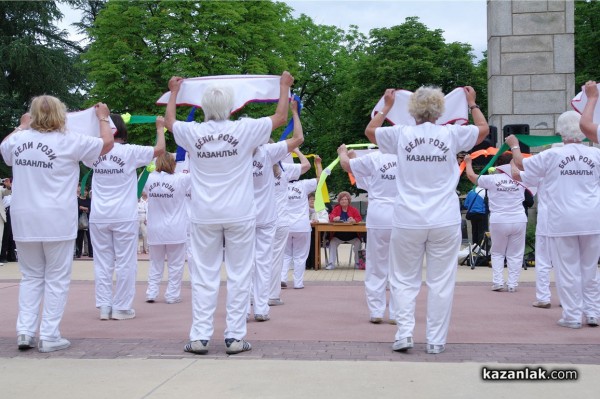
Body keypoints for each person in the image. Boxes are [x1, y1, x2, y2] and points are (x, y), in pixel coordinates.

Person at [165, 71, 294, 355]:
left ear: (204, 108)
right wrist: (284, 87)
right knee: (239, 274)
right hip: (240, 213)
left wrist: (174, 93)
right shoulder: (244, 129)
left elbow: (170, 122)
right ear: (231, 107)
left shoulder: (194, 132)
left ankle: (199, 337)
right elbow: (280, 118)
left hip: (203, 214)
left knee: (203, 275)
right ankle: (234, 337)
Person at [365, 85, 488, 354]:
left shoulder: (401, 133)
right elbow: (483, 130)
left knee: (403, 279)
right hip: (444, 217)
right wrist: (472, 104)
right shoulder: (451, 133)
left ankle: (404, 333)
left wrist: (386, 107)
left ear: (412, 110)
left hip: (408, 217)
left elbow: (370, 133)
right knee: (441, 282)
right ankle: (435, 340)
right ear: (440, 109)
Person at [0, 95, 114, 352]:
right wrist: (103, 117)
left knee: (30, 277)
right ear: (61, 115)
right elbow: (106, 144)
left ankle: (25, 331)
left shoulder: (19, 140)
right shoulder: (69, 140)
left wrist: (21, 126)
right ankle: (49, 335)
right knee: (56, 278)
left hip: (25, 218)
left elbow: (4, 148)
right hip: (57, 219)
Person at [509, 109, 600, 329]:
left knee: (567, 269)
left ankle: (572, 316)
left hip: (563, 219)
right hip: (592, 218)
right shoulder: (596, 154)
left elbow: (521, 164)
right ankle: (593, 312)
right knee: (590, 268)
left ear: (560, 132)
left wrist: (514, 144)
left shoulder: (552, 155)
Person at [84, 114, 165, 321]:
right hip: (124, 215)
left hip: (99, 216)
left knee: (102, 262)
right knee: (125, 262)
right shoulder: (130, 151)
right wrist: (159, 129)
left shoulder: (93, 152)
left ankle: (104, 306)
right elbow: (160, 150)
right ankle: (121, 307)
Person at [249, 99, 304, 321]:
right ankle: (261, 308)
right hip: (265, 217)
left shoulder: (235, 152)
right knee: (263, 262)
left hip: (242, 215)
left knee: (242, 265)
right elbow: (298, 138)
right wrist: (294, 112)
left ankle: (243, 309)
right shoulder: (267, 153)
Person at [338, 145, 398, 324]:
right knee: (401, 266)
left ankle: (376, 311)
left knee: (375, 263)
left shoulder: (375, 158)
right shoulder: (407, 156)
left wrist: (342, 153)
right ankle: (397, 312)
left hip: (379, 214)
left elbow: (348, 166)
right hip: (403, 213)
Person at [465, 154, 528, 292]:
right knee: (515, 254)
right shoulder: (522, 177)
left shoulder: (492, 179)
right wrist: (515, 164)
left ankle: (498, 282)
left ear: (498, 165)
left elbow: (471, 176)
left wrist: (468, 162)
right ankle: (512, 284)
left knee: (498, 252)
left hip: (499, 219)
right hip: (518, 218)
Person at [144, 150, 191, 304]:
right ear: (173, 164)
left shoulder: (148, 178)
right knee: (175, 265)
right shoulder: (182, 179)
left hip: (155, 228)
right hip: (175, 229)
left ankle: (151, 292)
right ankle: (172, 295)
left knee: (155, 263)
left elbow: (142, 190)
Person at [268, 148, 310, 304]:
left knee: (257, 259)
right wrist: (297, 151)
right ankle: (273, 295)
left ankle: (254, 296)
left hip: (259, 218)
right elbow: (306, 165)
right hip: (281, 221)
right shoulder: (285, 170)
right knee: (277, 258)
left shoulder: (252, 166)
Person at [282, 154, 322, 289]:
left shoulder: (279, 184)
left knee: (285, 255)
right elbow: (320, 179)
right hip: (302, 226)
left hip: (285, 225)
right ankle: (298, 283)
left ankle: (282, 278)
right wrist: (317, 164)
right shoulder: (304, 185)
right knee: (300, 256)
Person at [325, 191, 362, 270]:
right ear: (339, 201)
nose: (344, 201)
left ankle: (357, 263)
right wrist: (334, 218)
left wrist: (354, 220)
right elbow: (331, 216)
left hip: (352, 236)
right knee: (332, 242)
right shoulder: (336, 209)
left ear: (348, 201)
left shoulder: (354, 209)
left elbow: (359, 218)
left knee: (358, 242)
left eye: (345, 199)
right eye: (342, 199)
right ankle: (331, 263)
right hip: (338, 236)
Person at [305, 191, 329, 270]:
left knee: (313, 240)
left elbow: (326, 220)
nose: (312, 201)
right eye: (310, 199)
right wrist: (310, 221)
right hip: (304, 231)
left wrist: (318, 220)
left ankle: (313, 263)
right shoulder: (303, 209)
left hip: (316, 232)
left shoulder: (321, 209)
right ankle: (306, 263)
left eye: (314, 199)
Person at [75, 186, 92, 258]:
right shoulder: (77, 200)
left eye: (86, 191)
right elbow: (76, 208)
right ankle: (78, 254)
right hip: (79, 221)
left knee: (90, 237)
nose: (85, 192)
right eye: (84, 191)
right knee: (79, 238)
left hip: (88, 221)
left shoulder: (89, 200)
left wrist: (82, 208)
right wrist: (83, 208)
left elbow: (91, 208)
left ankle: (91, 253)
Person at [0, 178, 11, 266]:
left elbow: (7, 192)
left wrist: (8, 186)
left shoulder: (0, 189)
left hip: (1, 216)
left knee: (0, 238)